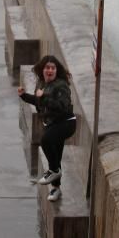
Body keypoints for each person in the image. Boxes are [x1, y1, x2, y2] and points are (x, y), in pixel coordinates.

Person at [18, 55, 76, 202]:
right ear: (42, 69)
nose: (50, 70)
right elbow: (39, 101)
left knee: (45, 141)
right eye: (47, 68)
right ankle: (56, 189)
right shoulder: (42, 84)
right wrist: (24, 96)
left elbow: (62, 106)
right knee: (56, 156)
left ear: (57, 71)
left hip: (66, 122)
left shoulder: (61, 85)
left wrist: (44, 98)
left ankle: (54, 171)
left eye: (53, 68)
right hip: (52, 124)